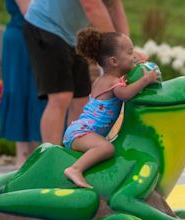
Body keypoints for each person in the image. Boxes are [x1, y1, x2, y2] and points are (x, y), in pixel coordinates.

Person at [22, 0, 129, 145]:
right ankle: (50, 157)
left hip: (72, 35)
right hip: (45, 25)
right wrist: (118, 50)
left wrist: (128, 48)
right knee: (60, 97)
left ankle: (73, 155)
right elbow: (91, 6)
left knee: (81, 98)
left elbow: (114, 4)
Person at [63, 28, 158, 188]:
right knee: (107, 148)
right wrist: (146, 80)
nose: (133, 56)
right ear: (114, 61)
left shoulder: (105, 80)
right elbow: (126, 94)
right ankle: (75, 169)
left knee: (106, 146)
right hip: (82, 133)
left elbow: (125, 83)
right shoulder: (113, 83)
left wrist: (136, 69)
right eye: (129, 53)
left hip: (80, 130)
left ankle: (78, 168)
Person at [0, 0, 46, 169]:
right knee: (22, 91)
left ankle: (35, 154)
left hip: (38, 37)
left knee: (37, 93)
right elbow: (29, 11)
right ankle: (23, 156)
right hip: (22, 39)